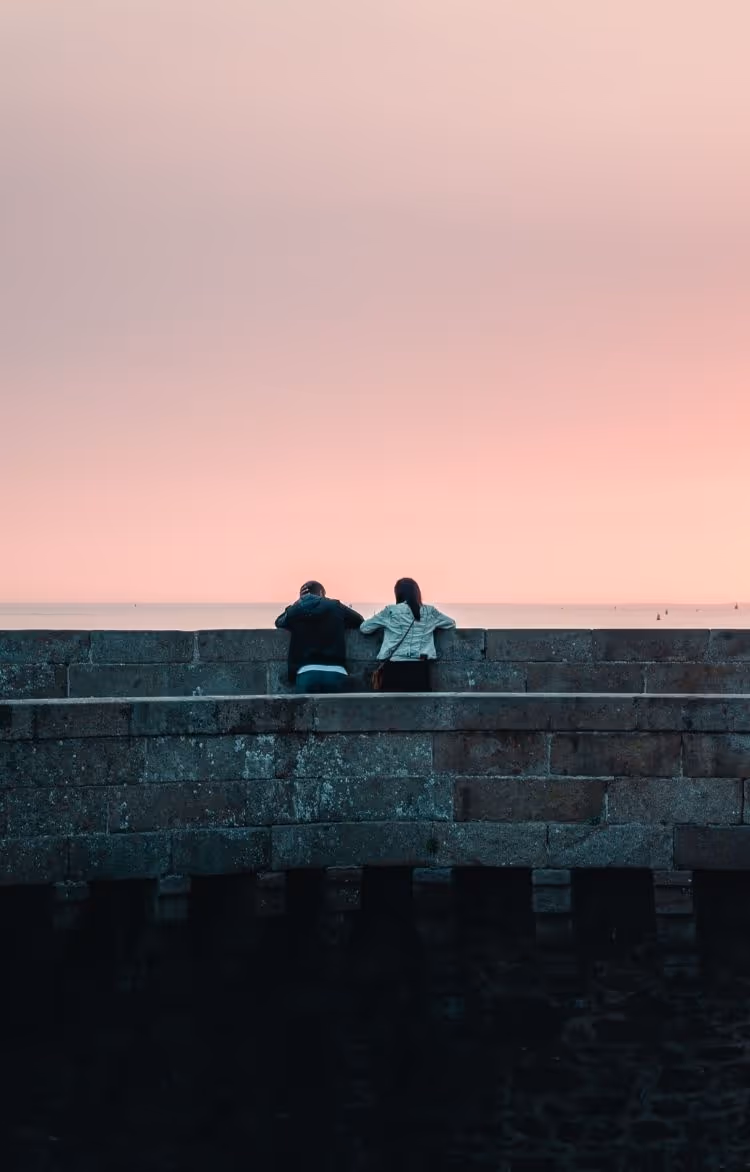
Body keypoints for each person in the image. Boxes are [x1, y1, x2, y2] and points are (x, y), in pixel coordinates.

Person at [360, 578, 455, 691]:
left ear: (398, 594)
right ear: (417, 593)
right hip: (420, 669)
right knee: (420, 706)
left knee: (391, 707)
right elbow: (451, 623)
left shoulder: (390, 611)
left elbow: (364, 628)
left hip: (394, 668)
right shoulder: (430, 611)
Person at [275, 581, 364, 693]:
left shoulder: (296, 609)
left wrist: (296, 604)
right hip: (336, 671)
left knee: (306, 710)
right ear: (322, 592)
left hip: (306, 672)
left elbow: (279, 622)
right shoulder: (335, 606)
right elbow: (359, 620)